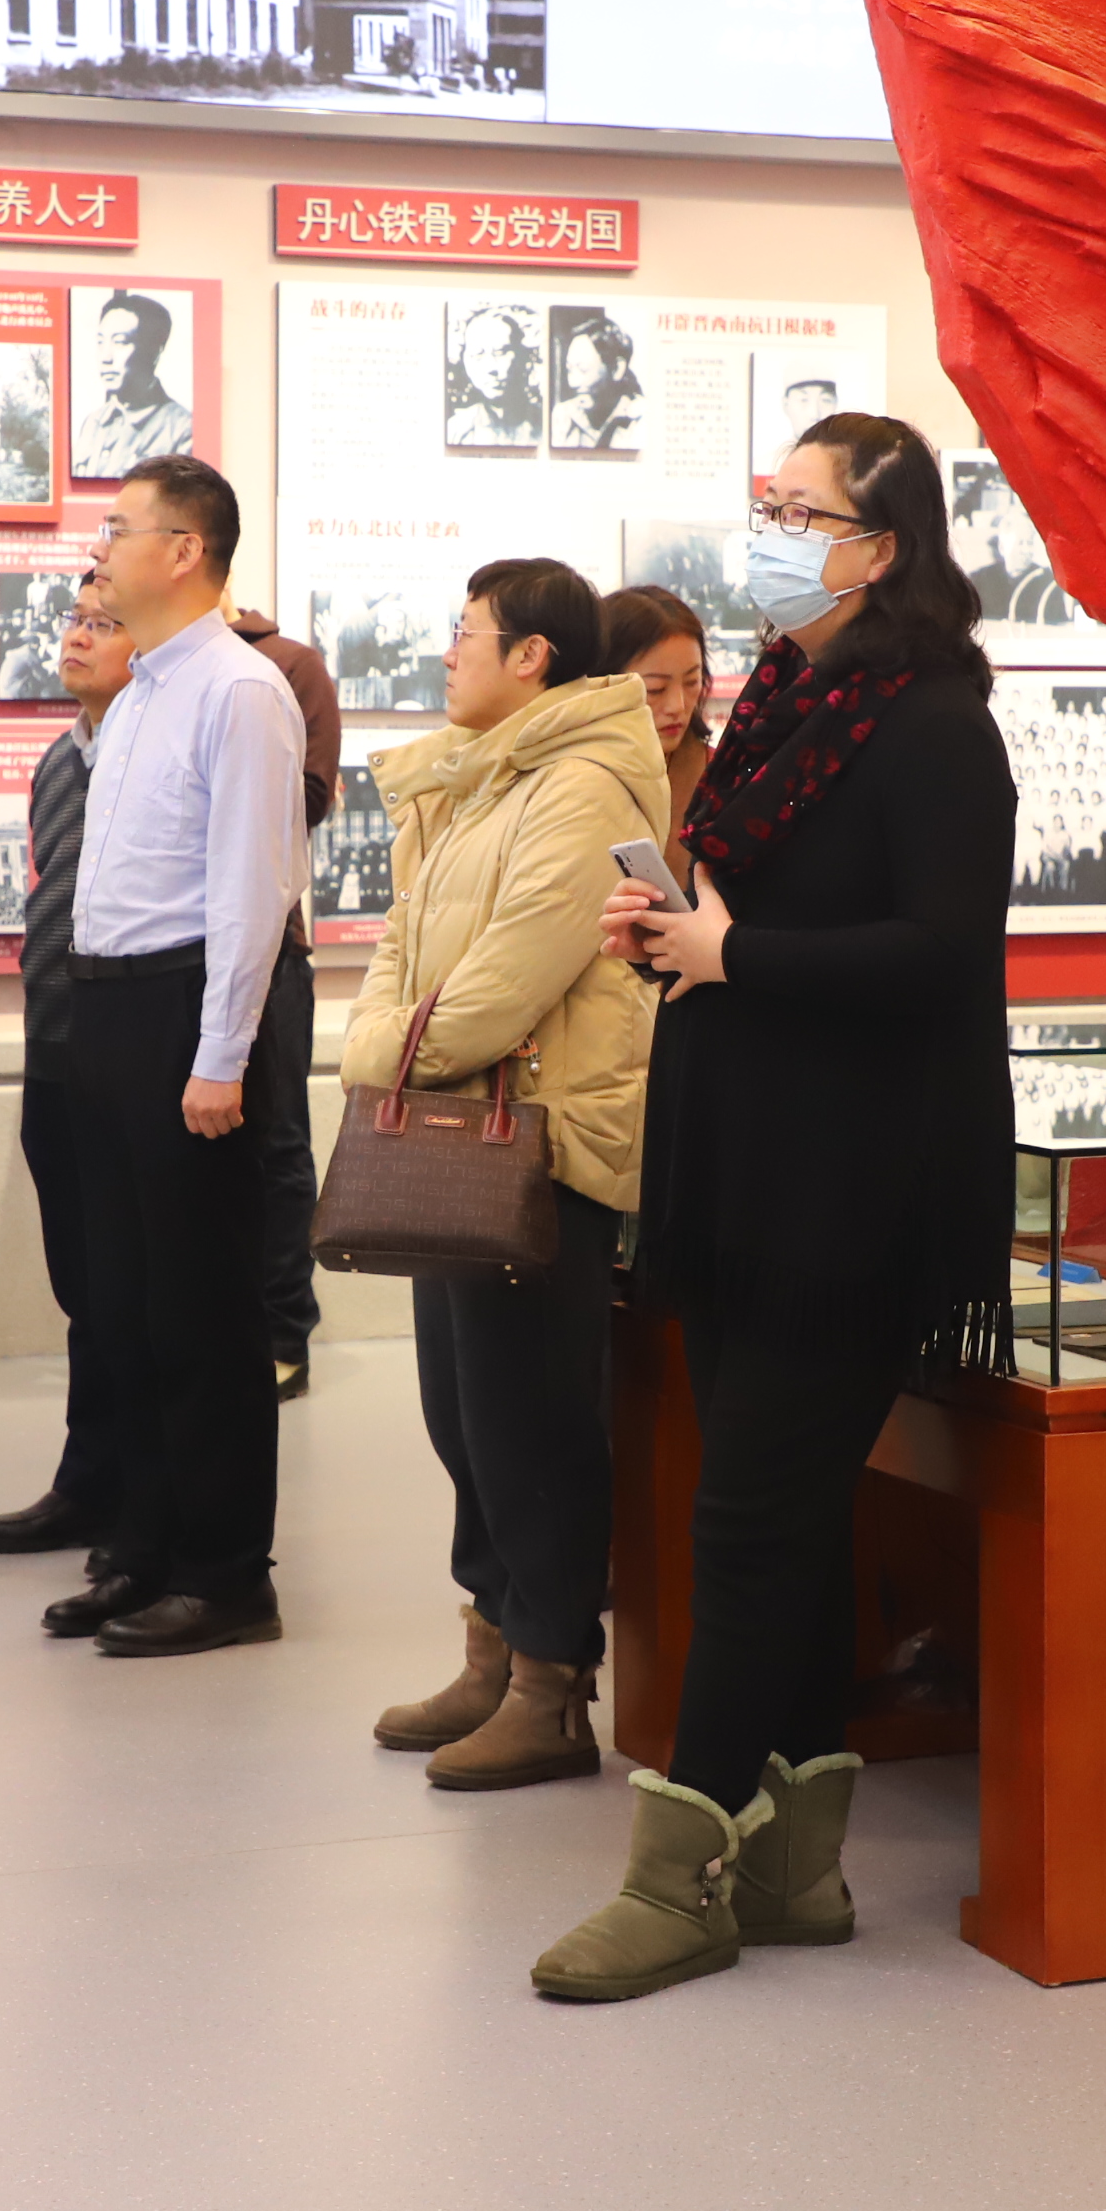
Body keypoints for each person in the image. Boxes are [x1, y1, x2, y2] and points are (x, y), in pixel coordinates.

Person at [546, 411, 1014, 2003]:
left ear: (880, 549)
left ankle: (676, 1880)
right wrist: (672, 932)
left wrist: (732, 952)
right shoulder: (785, 702)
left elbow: (939, 954)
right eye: (768, 501)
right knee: (785, 1523)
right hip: (747, 1167)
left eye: (801, 511)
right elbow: (767, 919)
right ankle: (798, 1872)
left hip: (855, 1191)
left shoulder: (936, 725)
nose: (770, 530)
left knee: (750, 1520)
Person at [347, 558, 666, 1789]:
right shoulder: (482, 776)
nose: (447, 651)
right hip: (455, 1122)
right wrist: (386, 1036)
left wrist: (375, 1054)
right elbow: (404, 939)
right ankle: (488, 1645)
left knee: (530, 1422)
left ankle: (550, 1682)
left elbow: (507, 975)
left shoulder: (580, 784)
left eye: (466, 630)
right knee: (461, 1414)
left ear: (531, 655)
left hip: (537, 1143)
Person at [48, 454, 308, 1656]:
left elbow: (250, 889)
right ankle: (140, 1547)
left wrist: (219, 1055)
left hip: (181, 1012)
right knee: (123, 1303)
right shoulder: (142, 687)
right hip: (105, 1009)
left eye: (119, 527)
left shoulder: (239, 689)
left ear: (185, 550)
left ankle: (225, 1572)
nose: (98, 549)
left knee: (202, 1312)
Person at [0, 585, 138, 1556]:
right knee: (82, 1282)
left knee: (131, 1285)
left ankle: (143, 1499)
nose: (76, 636)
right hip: (57, 1043)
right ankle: (91, 1481)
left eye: (103, 623)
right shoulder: (60, 753)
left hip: (132, 1046)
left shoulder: (156, 751)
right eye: (74, 619)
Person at [222, 592, 343, 1402]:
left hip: (267, 946)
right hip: (166, 957)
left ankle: (281, 1331)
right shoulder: (145, 672)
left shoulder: (287, 665)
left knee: (275, 1143)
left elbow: (306, 801)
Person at [601, 583, 715, 830]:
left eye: (692, 682)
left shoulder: (722, 778)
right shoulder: (563, 778)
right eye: (655, 689)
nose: (678, 706)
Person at [75, 290, 194, 474]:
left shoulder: (182, 429)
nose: (106, 357)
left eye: (120, 342)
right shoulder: (93, 423)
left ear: (154, 351)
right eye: (100, 342)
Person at [444, 305, 544, 449]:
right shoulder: (457, 429)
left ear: (521, 356)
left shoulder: (546, 423)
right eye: (477, 354)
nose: (491, 367)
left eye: (500, 352)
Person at [554, 315, 644, 452]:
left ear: (616, 369)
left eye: (583, 369)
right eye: (569, 370)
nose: (573, 383)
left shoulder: (642, 419)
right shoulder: (562, 416)